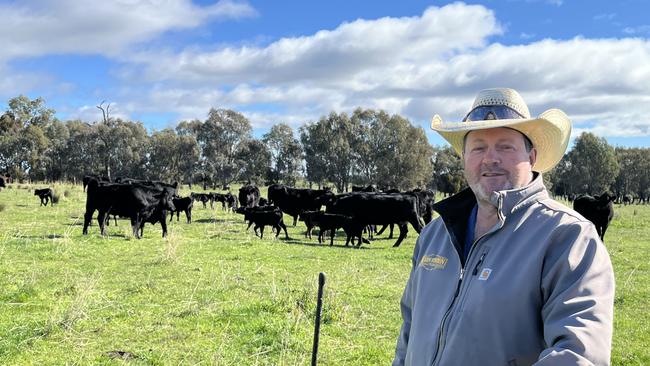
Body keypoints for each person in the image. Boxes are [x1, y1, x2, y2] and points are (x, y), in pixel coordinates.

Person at [393, 88, 614, 366]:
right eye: (478, 147)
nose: (490, 158)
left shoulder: (568, 237)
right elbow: (409, 333)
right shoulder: (434, 235)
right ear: (464, 157)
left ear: (531, 156)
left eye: (506, 145)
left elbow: (578, 354)